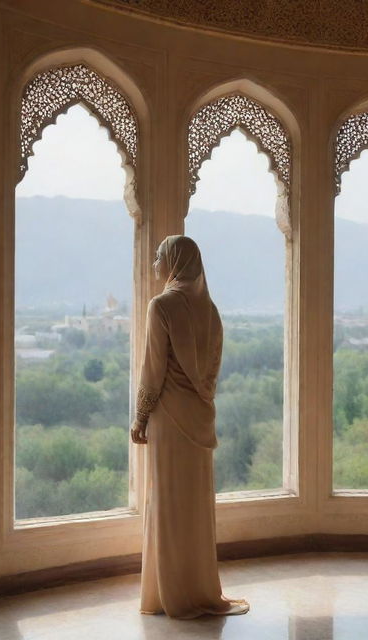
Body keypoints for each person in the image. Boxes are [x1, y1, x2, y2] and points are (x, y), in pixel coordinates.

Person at [130, 235, 250, 619]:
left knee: (167, 503)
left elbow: (153, 372)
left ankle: (167, 594)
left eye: (159, 257)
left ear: (174, 262)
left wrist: (140, 416)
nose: (154, 264)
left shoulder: (162, 306)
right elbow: (210, 373)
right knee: (194, 507)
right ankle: (196, 588)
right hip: (199, 416)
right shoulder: (210, 311)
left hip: (168, 418)